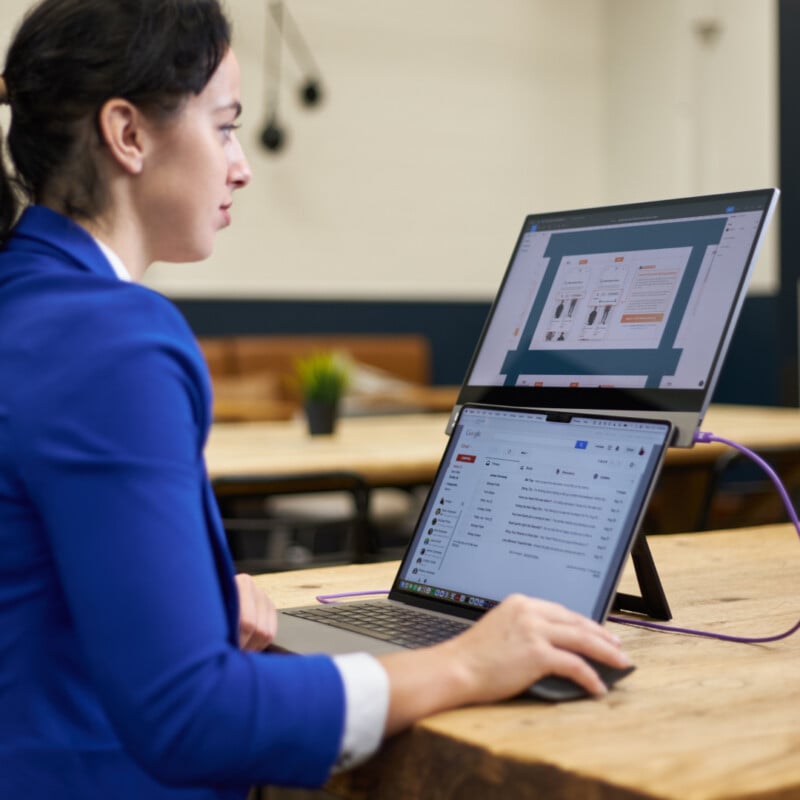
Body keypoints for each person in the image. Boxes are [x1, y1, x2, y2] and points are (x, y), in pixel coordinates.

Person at [0, 1, 631, 797]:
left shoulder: (25, 295)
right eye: (224, 126)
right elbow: (190, 716)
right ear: (127, 134)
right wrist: (464, 662)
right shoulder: (112, 340)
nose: (241, 165)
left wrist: (166, 592)